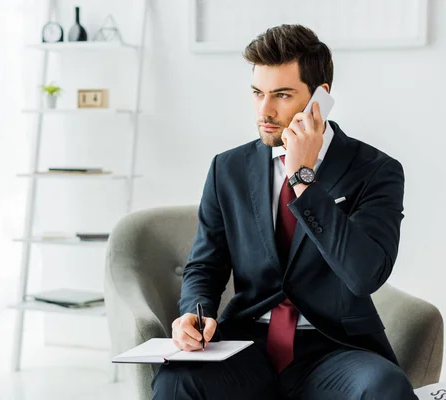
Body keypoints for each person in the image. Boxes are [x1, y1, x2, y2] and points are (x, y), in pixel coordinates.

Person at [152, 24, 417, 400]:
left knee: (384, 388)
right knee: (175, 380)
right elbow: (205, 265)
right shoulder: (227, 169)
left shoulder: (375, 170)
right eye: (258, 93)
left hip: (334, 349)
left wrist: (303, 179)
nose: (265, 110)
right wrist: (195, 313)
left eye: (281, 95)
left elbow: (364, 274)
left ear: (319, 99)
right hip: (245, 345)